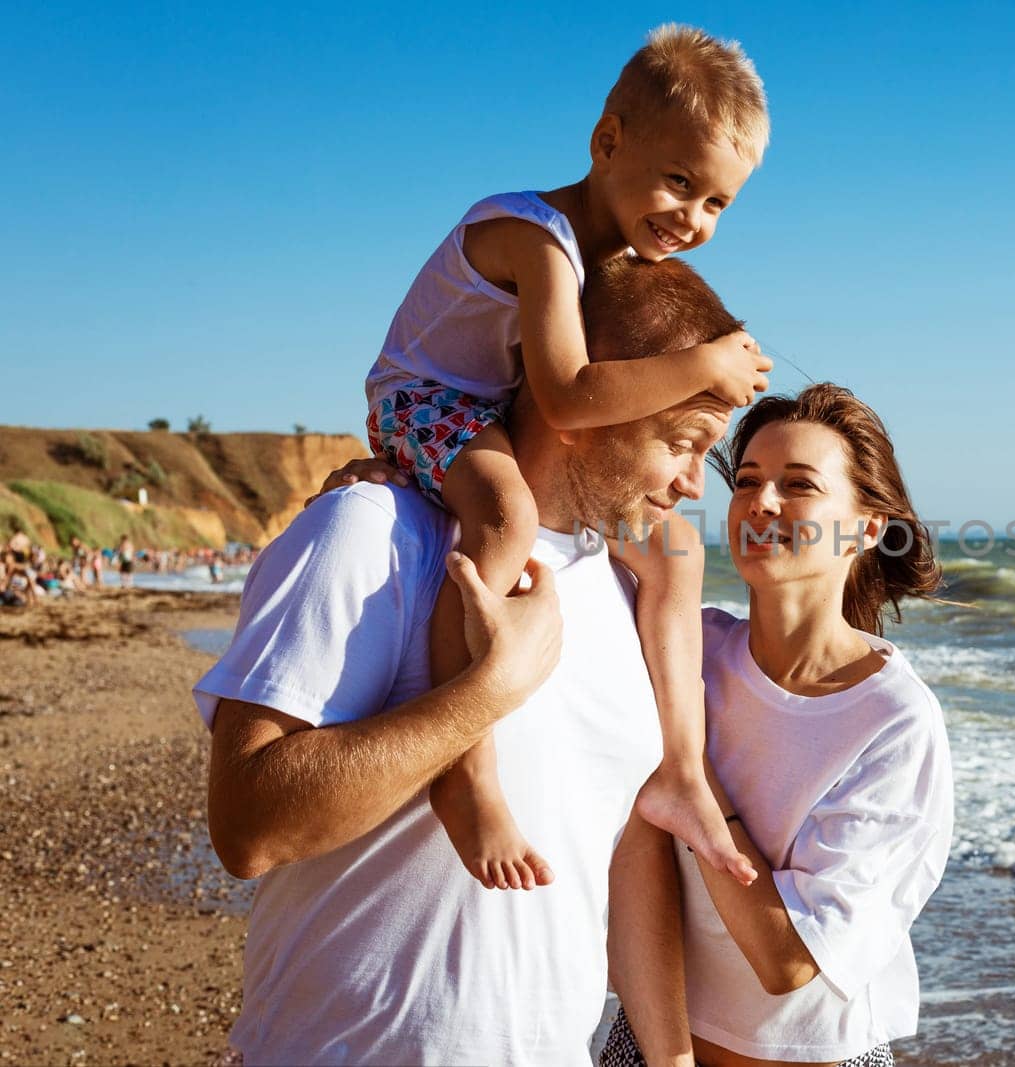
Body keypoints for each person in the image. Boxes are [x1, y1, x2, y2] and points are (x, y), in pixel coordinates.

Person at [197, 256, 746, 1065]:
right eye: (682, 442)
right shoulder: (371, 531)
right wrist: (486, 692)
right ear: (581, 407)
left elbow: (623, 846)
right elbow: (247, 825)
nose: (696, 484)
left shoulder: (622, 587)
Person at [363, 23, 771, 892]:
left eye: (717, 204)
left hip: (492, 411)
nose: (693, 220)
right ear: (607, 141)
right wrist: (706, 362)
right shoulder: (538, 238)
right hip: (427, 401)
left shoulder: (616, 254)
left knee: (679, 552)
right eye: (679, 182)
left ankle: (683, 773)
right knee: (505, 515)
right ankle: (464, 770)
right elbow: (570, 398)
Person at [602, 385, 954, 1067]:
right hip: (650, 1047)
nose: (761, 503)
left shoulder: (894, 721)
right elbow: (560, 514)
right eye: (748, 481)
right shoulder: (687, 646)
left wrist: (690, 767)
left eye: (798, 485)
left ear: (866, 526)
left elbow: (789, 959)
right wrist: (400, 479)